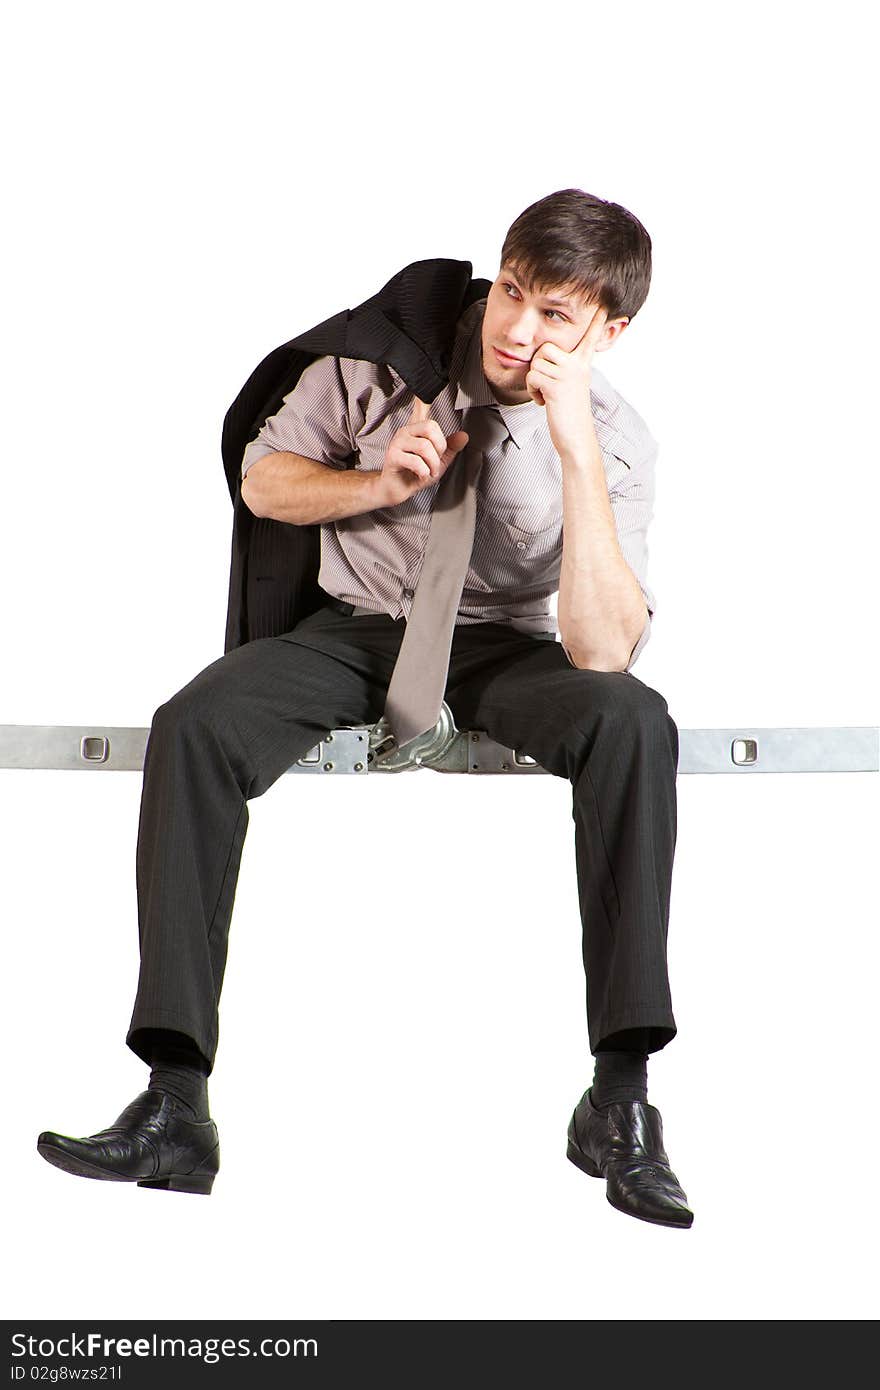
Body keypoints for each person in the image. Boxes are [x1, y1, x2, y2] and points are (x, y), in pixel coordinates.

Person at [37, 188, 692, 1228]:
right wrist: (373, 486)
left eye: (557, 315)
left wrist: (571, 454)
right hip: (353, 630)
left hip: (503, 650)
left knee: (633, 721)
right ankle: (175, 1101)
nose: (518, 329)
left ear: (609, 332)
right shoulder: (375, 362)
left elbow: (602, 648)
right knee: (194, 723)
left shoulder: (614, 440)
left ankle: (617, 1100)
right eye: (513, 292)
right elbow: (263, 482)